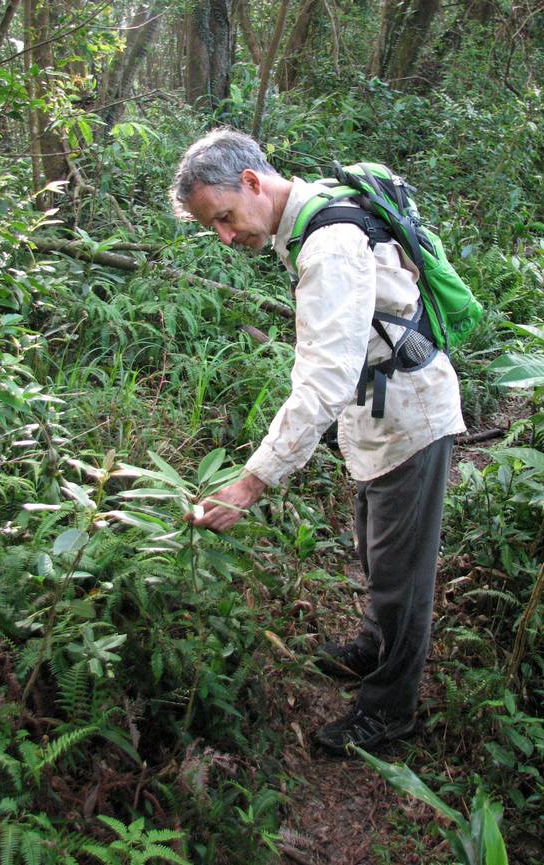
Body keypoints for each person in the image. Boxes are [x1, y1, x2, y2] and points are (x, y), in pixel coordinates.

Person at [169, 128, 465, 755]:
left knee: (400, 577)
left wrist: (251, 483)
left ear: (252, 183)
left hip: (408, 419)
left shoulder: (328, 245)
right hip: (377, 415)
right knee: (374, 548)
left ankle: (390, 711)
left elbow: (322, 381)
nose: (225, 237)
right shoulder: (307, 214)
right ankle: (371, 647)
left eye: (223, 218)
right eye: (211, 229)